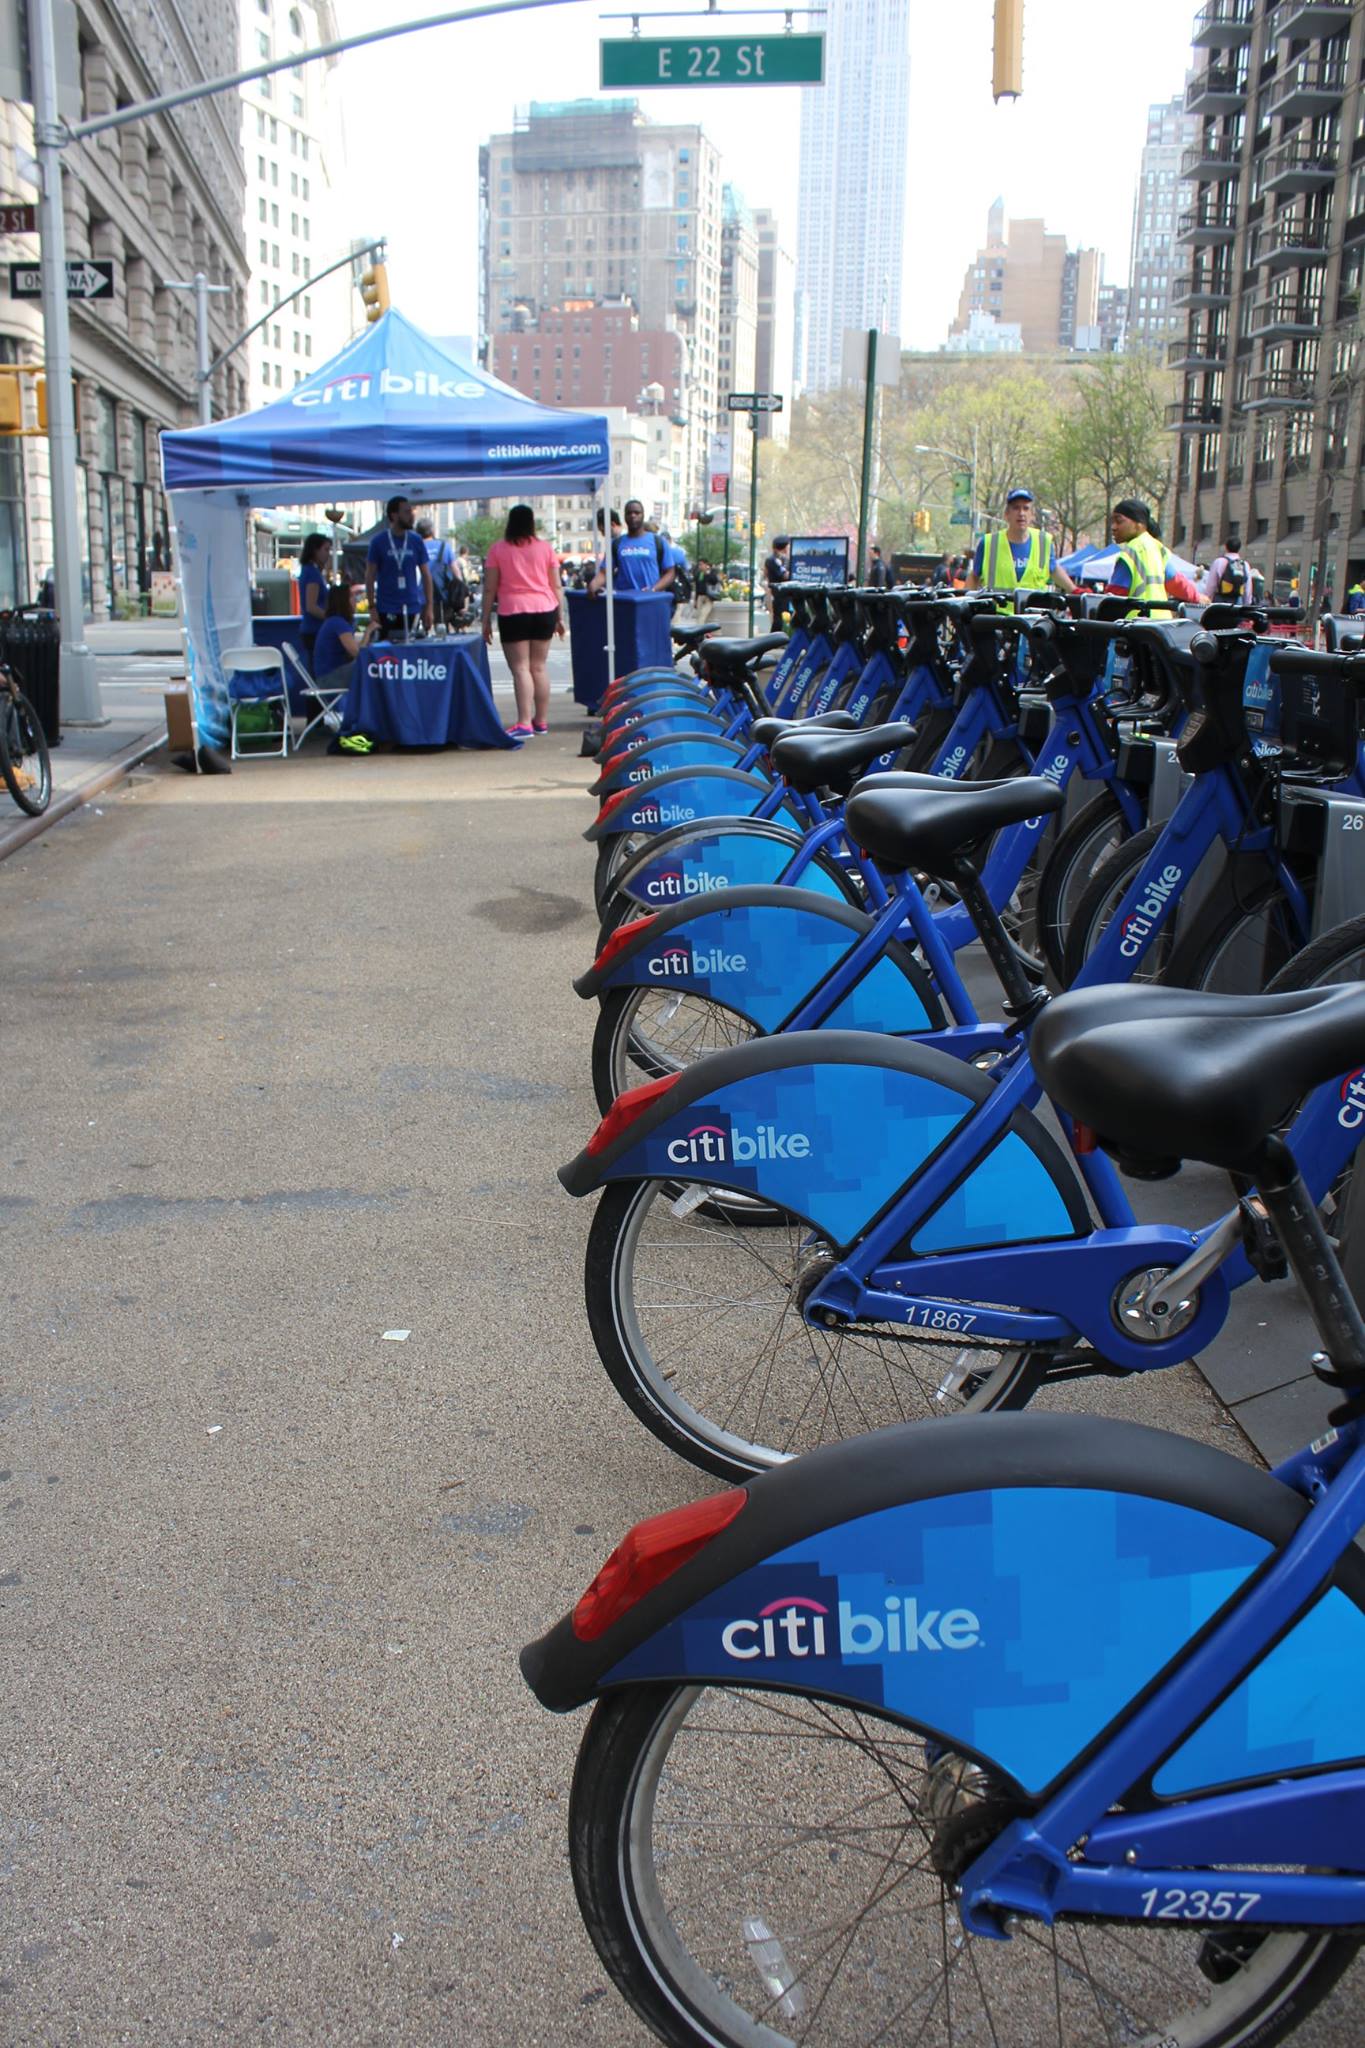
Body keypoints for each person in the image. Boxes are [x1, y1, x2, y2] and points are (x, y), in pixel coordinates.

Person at [482, 502, 565, 738]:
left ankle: (524, 722)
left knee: (520, 668)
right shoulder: (545, 548)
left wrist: (485, 619)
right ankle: (541, 721)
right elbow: (556, 584)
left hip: (513, 610)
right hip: (544, 609)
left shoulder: (498, 550)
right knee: (539, 667)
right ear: (531, 524)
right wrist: (559, 617)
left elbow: (490, 589)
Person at [968, 489, 1076, 600]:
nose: (1021, 513)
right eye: (1016, 508)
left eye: (1026, 508)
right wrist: (964, 605)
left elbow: (1053, 569)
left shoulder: (1044, 542)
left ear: (1032, 515)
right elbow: (974, 576)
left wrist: (1075, 590)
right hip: (997, 614)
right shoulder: (988, 543)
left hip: (1033, 614)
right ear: (1007, 514)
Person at [364, 496, 433, 639]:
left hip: (412, 606)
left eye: (411, 512)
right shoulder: (378, 542)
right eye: (407, 512)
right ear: (394, 515)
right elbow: (370, 575)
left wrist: (429, 607)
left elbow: (426, 575)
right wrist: (372, 606)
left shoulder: (416, 540)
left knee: (412, 648)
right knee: (388, 651)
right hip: (386, 608)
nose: (411, 516)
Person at [1104, 498, 1173, 619]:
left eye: (1119, 521)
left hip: (1134, 628)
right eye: (1112, 522)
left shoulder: (1130, 553)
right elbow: (1176, 581)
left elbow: (1113, 599)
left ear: (1139, 524)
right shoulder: (1158, 548)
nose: (1113, 527)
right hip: (1162, 625)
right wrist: (1199, 598)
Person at [588, 500, 675, 595]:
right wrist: (593, 585)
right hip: (625, 602)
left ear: (643, 515)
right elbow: (604, 572)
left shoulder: (658, 542)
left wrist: (654, 589)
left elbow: (670, 573)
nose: (633, 515)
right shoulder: (616, 544)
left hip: (650, 602)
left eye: (637, 513)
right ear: (625, 517)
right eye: (629, 513)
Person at [310, 583, 372, 698]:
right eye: (351, 597)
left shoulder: (334, 621)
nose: (356, 600)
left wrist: (368, 633)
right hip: (329, 680)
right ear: (343, 601)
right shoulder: (338, 623)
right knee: (369, 667)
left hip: (328, 677)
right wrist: (368, 633)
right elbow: (357, 653)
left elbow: (353, 652)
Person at [296, 532, 331, 672]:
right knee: (317, 669)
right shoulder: (312, 574)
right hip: (314, 630)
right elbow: (311, 606)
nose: (328, 554)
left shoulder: (310, 571)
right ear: (315, 550)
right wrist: (330, 617)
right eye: (326, 550)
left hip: (312, 629)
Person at [417, 519, 459, 630]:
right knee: (442, 630)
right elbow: (456, 572)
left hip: (421, 596)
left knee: (422, 632)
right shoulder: (444, 547)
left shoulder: (416, 547)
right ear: (432, 531)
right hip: (443, 595)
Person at [1200, 538, 1253, 608]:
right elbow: (1248, 588)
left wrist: (1206, 601)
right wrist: (1247, 603)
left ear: (1226, 547)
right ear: (1239, 548)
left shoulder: (1219, 562)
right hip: (1238, 601)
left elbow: (1211, 585)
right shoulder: (1245, 564)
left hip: (1220, 600)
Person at [763, 534, 791, 624]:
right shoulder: (773, 560)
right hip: (779, 594)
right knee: (779, 621)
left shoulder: (783, 559)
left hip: (785, 594)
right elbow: (784, 575)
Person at [692, 556, 721, 625]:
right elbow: (697, 587)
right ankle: (700, 632)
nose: (700, 566)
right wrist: (695, 600)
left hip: (709, 597)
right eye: (699, 565)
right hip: (700, 596)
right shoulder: (699, 574)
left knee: (703, 615)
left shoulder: (712, 572)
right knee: (699, 615)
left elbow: (714, 581)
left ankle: (699, 632)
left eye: (701, 564)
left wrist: (707, 574)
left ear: (706, 564)